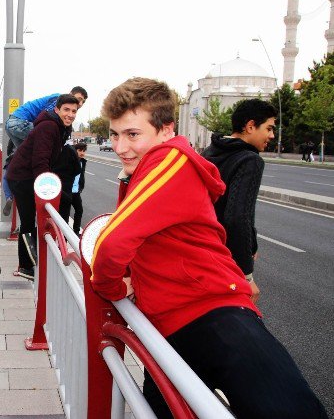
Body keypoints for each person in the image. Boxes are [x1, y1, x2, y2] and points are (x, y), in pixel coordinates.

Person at [90, 77, 326, 419]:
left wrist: (110, 287)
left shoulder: (169, 161)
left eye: (132, 134)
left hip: (216, 316)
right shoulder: (143, 170)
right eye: (115, 134)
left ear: (167, 130)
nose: (120, 146)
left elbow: (113, 243)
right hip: (179, 324)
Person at [202, 99, 276, 303]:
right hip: (224, 257)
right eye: (269, 128)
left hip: (199, 249)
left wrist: (251, 242)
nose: (272, 135)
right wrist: (246, 275)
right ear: (250, 126)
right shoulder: (249, 160)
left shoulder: (210, 151)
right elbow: (237, 217)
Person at [5, 94, 79, 281]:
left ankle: (29, 262)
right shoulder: (49, 127)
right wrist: (46, 192)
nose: (70, 114)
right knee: (29, 221)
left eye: (74, 111)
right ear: (57, 109)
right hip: (22, 178)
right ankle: (26, 266)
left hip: (25, 175)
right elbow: (40, 161)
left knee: (30, 220)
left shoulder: (60, 127)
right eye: (66, 110)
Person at [2, 87, 88, 215]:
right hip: (20, 122)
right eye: (79, 99)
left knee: (21, 158)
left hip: (12, 123)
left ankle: (9, 195)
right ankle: (33, 183)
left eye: (83, 102)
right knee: (43, 141)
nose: (80, 103)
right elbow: (45, 120)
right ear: (70, 94)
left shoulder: (60, 102)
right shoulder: (59, 99)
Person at [51, 142, 81, 227]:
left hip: (51, 188)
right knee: (64, 219)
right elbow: (78, 169)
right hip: (66, 189)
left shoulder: (50, 148)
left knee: (49, 215)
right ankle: (63, 238)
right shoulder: (70, 150)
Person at [71, 142, 87, 235]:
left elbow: (81, 176)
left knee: (79, 210)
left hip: (76, 192)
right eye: (80, 150)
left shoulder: (82, 162)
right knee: (64, 215)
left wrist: (80, 186)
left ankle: (76, 231)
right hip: (68, 191)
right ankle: (63, 236)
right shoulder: (71, 160)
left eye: (84, 151)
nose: (82, 153)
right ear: (75, 150)